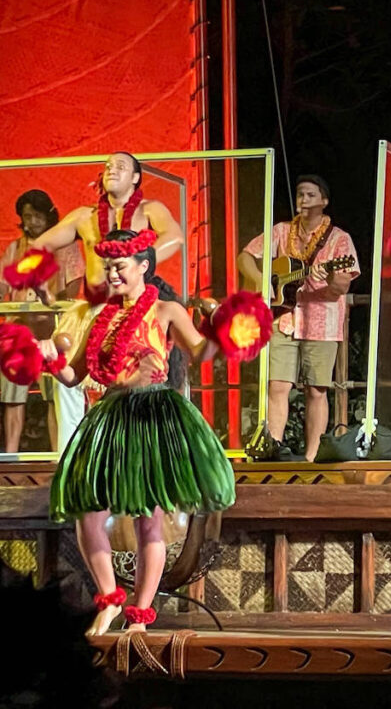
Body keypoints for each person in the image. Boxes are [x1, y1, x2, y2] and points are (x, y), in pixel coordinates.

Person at [43, 229, 237, 635]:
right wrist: (44, 358)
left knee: (149, 520)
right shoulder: (100, 317)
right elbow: (73, 375)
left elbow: (201, 352)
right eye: (108, 267)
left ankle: (140, 613)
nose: (112, 275)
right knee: (88, 515)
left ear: (143, 266)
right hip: (111, 417)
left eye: (120, 267)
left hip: (152, 419)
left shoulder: (166, 311)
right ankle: (110, 599)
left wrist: (222, 328)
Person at [238, 175, 359, 461]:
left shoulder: (340, 240)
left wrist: (329, 275)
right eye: (300, 194)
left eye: (310, 195)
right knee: (276, 385)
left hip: (322, 320)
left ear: (324, 201)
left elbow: (343, 286)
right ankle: (274, 450)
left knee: (316, 389)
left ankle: (311, 458)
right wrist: (261, 279)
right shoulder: (281, 231)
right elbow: (245, 257)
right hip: (284, 318)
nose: (303, 200)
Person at [31, 152, 184, 302]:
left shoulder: (149, 209)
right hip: (96, 307)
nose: (112, 170)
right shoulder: (84, 216)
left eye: (120, 167)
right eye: (108, 167)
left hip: (136, 305)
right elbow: (40, 245)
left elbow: (175, 237)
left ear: (135, 178)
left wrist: (139, 262)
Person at [0, 190, 84, 452]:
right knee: (13, 398)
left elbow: (73, 289)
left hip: (53, 332)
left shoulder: (66, 247)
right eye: (27, 217)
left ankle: (59, 455)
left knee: (54, 397)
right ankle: (10, 460)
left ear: (48, 217)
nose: (32, 222)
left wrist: (51, 305)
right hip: (20, 332)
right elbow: (3, 285)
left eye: (37, 216)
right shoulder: (15, 248)